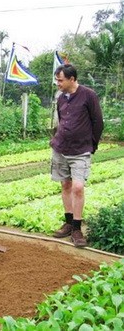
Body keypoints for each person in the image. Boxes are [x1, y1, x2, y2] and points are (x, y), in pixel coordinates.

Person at [51, 64, 104, 247]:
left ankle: (77, 228)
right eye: (57, 79)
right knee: (65, 185)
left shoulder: (88, 95)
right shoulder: (60, 98)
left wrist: (92, 145)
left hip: (81, 150)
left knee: (78, 187)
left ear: (72, 79)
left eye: (60, 80)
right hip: (60, 148)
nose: (57, 83)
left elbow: (98, 122)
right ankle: (68, 222)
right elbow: (61, 120)